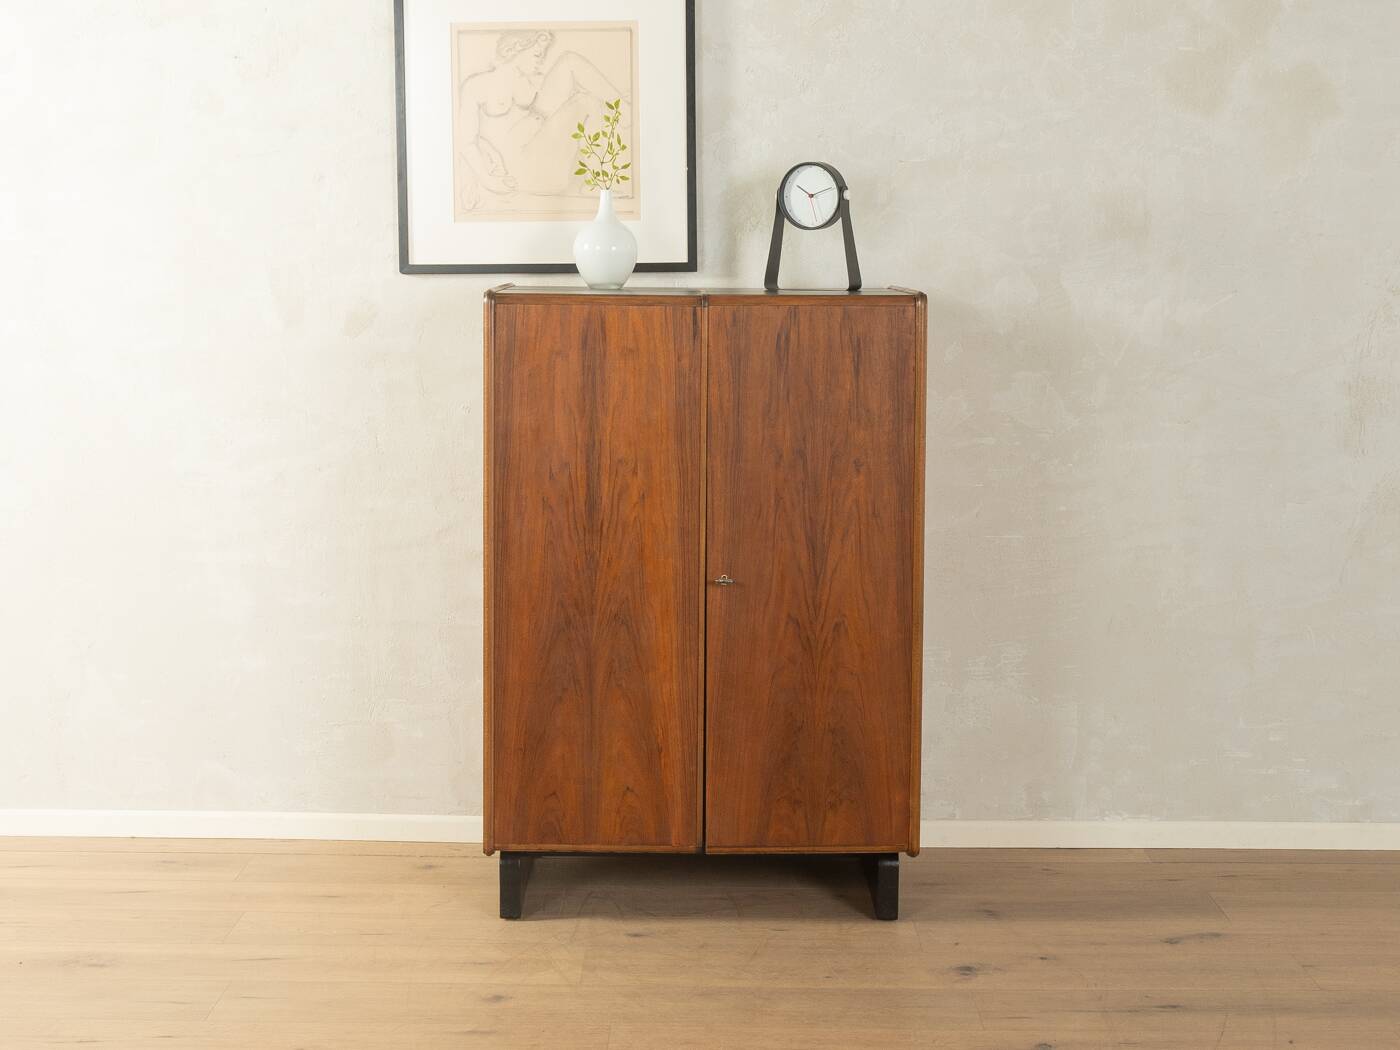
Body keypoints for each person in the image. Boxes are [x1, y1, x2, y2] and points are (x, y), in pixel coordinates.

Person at [455, 29, 629, 214]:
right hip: (522, 172)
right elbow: (465, 142)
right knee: (584, 100)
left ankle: (597, 178)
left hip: (544, 155)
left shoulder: (530, 82)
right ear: (515, 50)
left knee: (573, 69)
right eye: (537, 55)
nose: (541, 61)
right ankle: (625, 110)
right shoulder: (476, 86)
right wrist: (488, 180)